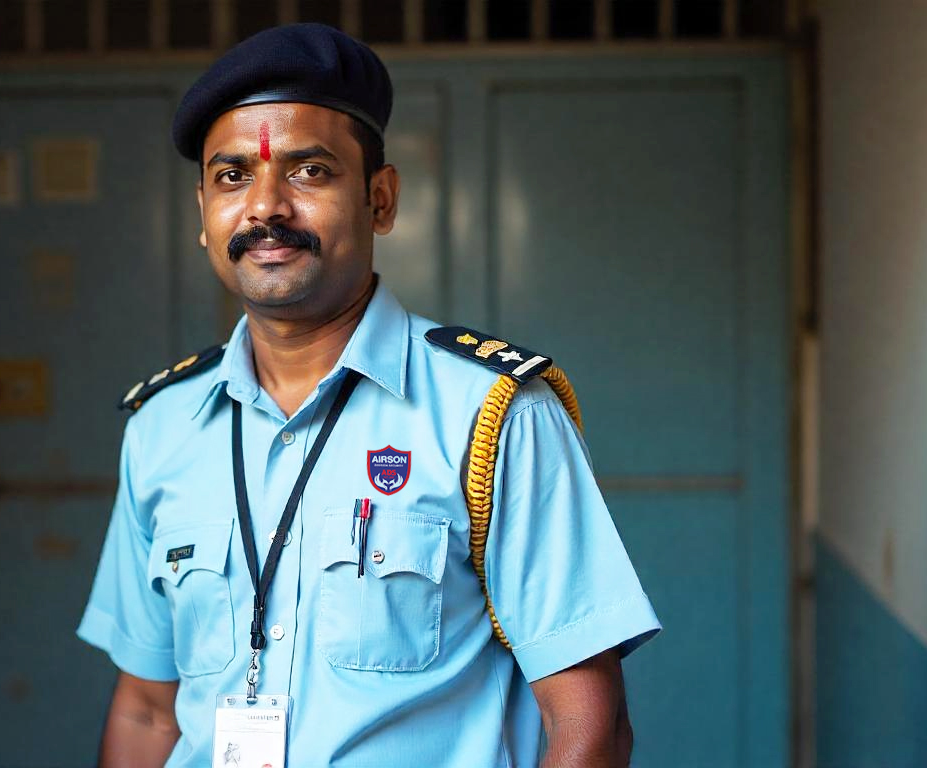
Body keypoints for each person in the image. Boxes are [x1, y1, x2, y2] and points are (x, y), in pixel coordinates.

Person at [78, 23, 660, 767]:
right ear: (201, 214)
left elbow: (589, 724)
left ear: (380, 200)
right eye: (231, 177)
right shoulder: (162, 427)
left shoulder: (492, 415)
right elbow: (147, 712)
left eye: (308, 171)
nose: (265, 207)